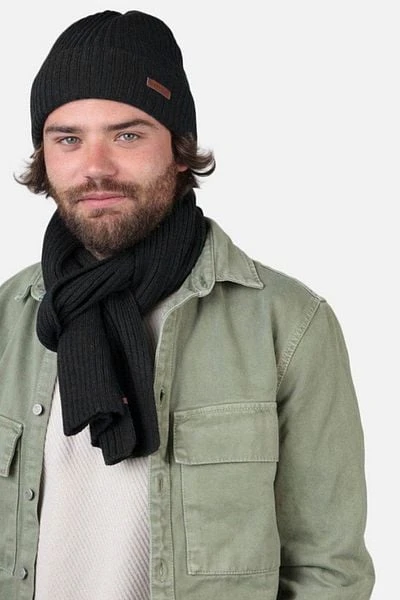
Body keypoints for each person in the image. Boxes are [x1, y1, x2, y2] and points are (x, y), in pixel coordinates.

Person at [0, 9, 374, 600]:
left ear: (179, 150)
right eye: (68, 138)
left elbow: (328, 571)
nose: (95, 167)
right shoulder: (7, 320)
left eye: (127, 135)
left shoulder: (288, 325)